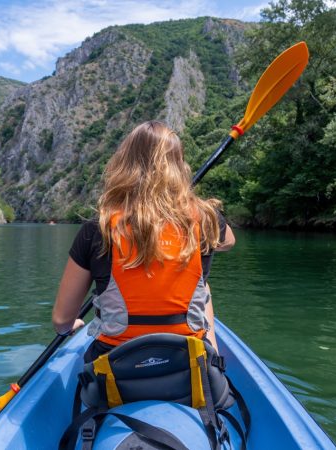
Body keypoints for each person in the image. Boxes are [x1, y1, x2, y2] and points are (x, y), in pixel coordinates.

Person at [52, 121, 234, 363]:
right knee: (203, 286)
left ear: (123, 164)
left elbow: (62, 320)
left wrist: (67, 327)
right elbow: (228, 242)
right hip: (188, 367)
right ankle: (212, 358)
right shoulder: (204, 220)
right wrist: (189, 222)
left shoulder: (97, 229)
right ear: (179, 167)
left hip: (116, 372)